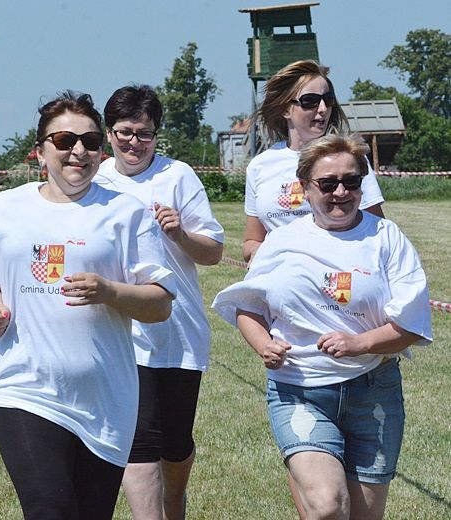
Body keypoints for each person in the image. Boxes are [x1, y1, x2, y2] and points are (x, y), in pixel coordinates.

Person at [0, 91, 176, 519]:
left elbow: (160, 303)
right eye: (63, 141)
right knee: (49, 508)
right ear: (40, 150)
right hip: (25, 386)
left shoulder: (126, 212)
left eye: (90, 142)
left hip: (104, 397)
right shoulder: (8, 208)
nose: (78, 151)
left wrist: (109, 291)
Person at [213, 134, 432, 520]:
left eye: (351, 181)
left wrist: (361, 342)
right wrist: (263, 344)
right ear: (304, 189)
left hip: (373, 389)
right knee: (328, 505)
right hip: (300, 391)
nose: (340, 192)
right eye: (328, 184)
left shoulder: (386, 238)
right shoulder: (281, 243)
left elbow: (412, 324)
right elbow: (247, 307)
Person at [94, 85, 223, 520]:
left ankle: (175, 500)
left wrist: (180, 235)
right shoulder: (94, 180)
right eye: (125, 132)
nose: (134, 143)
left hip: (177, 332)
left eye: (145, 134)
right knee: (139, 438)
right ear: (108, 133)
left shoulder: (177, 176)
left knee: (175, 443)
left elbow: (214, 252)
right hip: (119, 331)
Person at [243, 60, 385, 264]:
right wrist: (258, 252)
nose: (322, 108)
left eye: (328, 99)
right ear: (285, 109)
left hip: (339, 278)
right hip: (284, 281)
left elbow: (378, 231)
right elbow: (251, 241)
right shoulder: (260, 166)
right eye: (310, 101)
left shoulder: (348, 158)